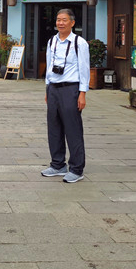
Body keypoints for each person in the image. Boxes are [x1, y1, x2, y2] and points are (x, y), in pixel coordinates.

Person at [41, 9, 90, 183]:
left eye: (64, 20)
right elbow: (49, 65)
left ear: (72, 22)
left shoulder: (79, 43)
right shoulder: (52, 41)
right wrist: (47, 88)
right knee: (53, 128)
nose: (60, 23)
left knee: (73, 129)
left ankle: (77, 169)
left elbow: (84, 69)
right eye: (58, 19)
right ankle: (57, 164)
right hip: (53, 88)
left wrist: (82, 94)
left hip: (71, 89)